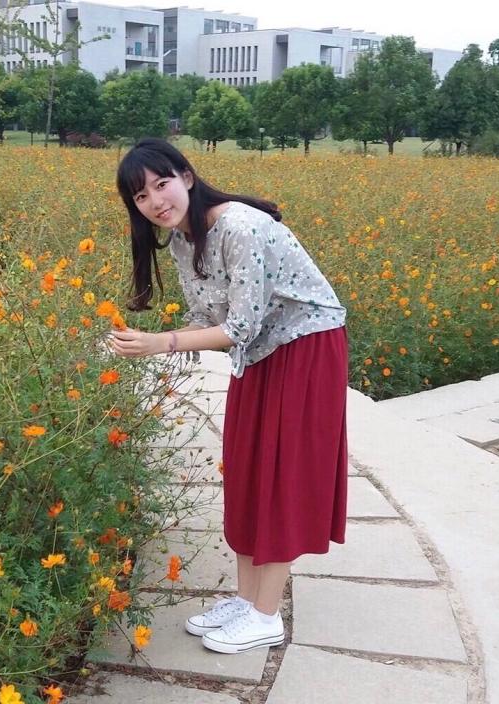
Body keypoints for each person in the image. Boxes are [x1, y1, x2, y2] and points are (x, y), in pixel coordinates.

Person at [110, 138, 348, 655]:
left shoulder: (241, 227)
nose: (155, 201)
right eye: (140, 196)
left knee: (281, 477)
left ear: (187, 177)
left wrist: (160, 344)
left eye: (161, 184)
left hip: (306, 347)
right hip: (262, 353)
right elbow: (206, 318)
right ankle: (246, 601)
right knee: (246, 469)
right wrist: (141, 345)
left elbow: (238, 327)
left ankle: (266, 616)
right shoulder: (182, 239)